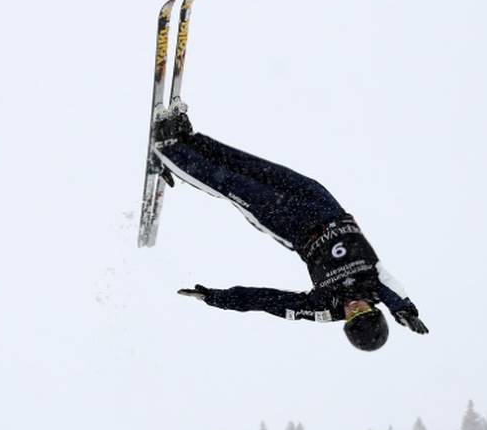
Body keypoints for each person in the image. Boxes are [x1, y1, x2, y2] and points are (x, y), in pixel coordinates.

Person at [152, 108, 428, 351]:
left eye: (352, 317)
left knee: (232, 185)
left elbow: (267, 301)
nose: (354, 309)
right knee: (252, 167)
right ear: (375, 311)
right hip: (324, 204)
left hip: (290, 224)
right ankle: (187, 139)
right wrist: (405, 311)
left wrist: (218, 298)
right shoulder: (377, 287)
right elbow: (397, 296)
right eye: (363, 313)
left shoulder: (322, 307)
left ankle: (168, 153)